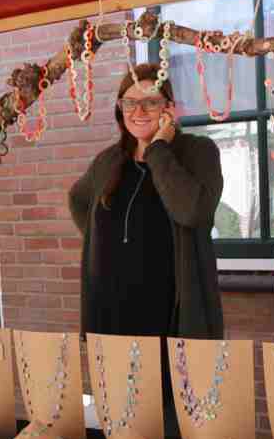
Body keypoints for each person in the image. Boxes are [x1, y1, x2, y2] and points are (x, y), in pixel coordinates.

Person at [68, 65, 225, 338]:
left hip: (171, 314)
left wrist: (158, 149)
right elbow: (77, 199)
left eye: (151, 102)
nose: (138, 112)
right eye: (129, 103)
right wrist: (105, 243)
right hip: (110, 310)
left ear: (169, 108)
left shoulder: (198, 152)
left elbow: (192, 212)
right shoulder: (109, 160)